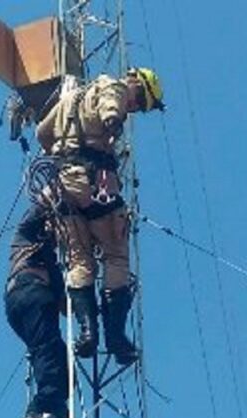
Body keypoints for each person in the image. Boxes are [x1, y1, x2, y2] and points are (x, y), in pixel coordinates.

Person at [35, 67, 165, 366]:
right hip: (95, 181)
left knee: (80, 260)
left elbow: (43, 132)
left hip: (64, 188)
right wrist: (112, 124)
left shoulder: (70, 99)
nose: (137, 108)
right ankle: (115, 336)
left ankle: (87, 332)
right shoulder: (114, 87)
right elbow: (112, 105)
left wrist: (64, 148)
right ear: (136, 83)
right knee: (116, 256)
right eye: (141, 100)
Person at [4, 201, 69, 418]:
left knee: (56, 355)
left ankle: (44, 412)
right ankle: (49, 410)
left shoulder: (51, 261)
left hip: (20, 301)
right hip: (29, 293)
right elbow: (40, 206)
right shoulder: (26, 236)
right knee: (48, 349)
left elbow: (64, 306)